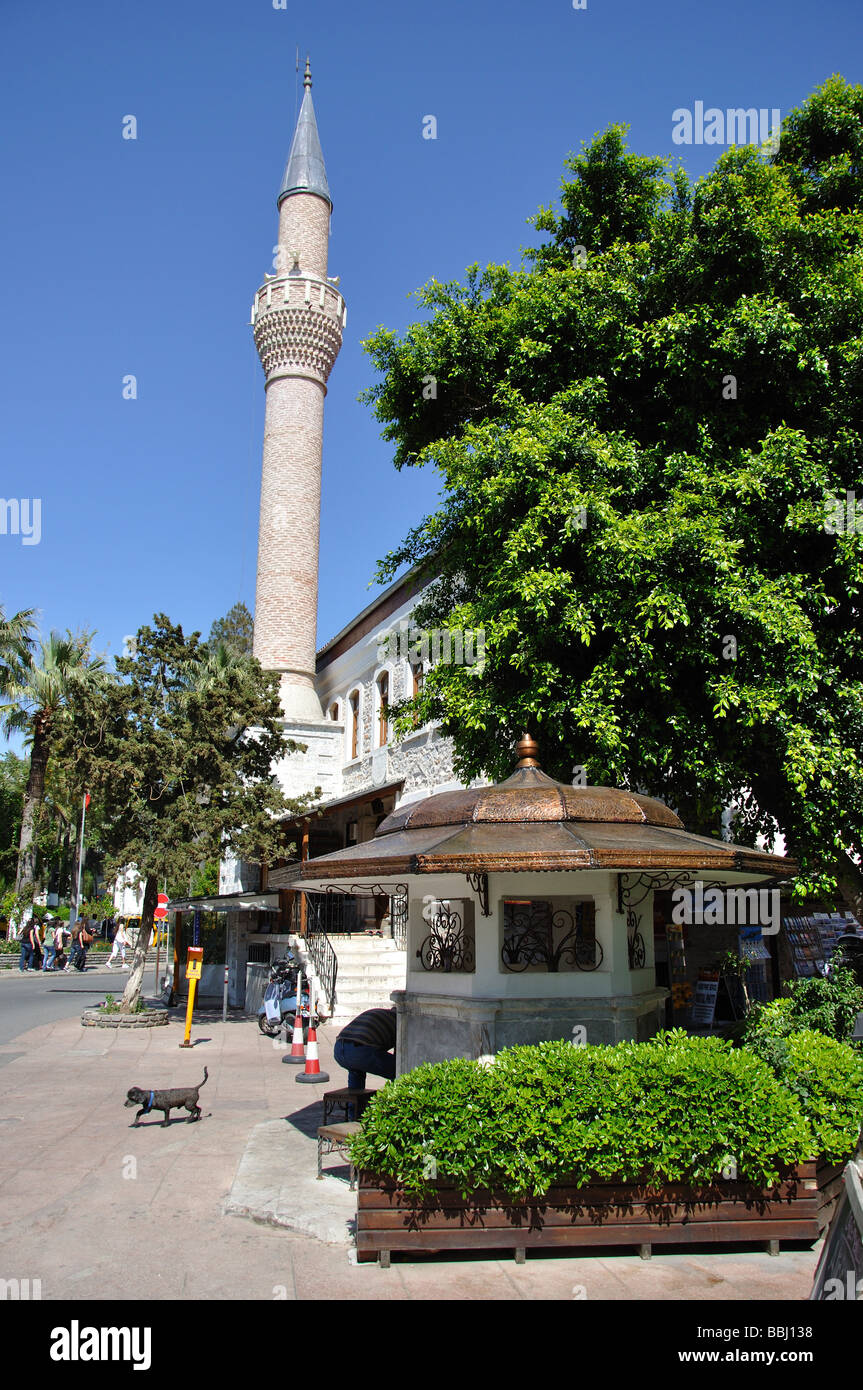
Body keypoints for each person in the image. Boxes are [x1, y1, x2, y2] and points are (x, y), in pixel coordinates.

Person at [333, 1007, 397, 1091]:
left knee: (356, 1071)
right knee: (399, 1070)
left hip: (339, 1049)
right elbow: (400, 1056)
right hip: (360, 1050)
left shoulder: (380, 1012)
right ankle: (398, 1099)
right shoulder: (399, 1021)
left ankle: (354, 1102)